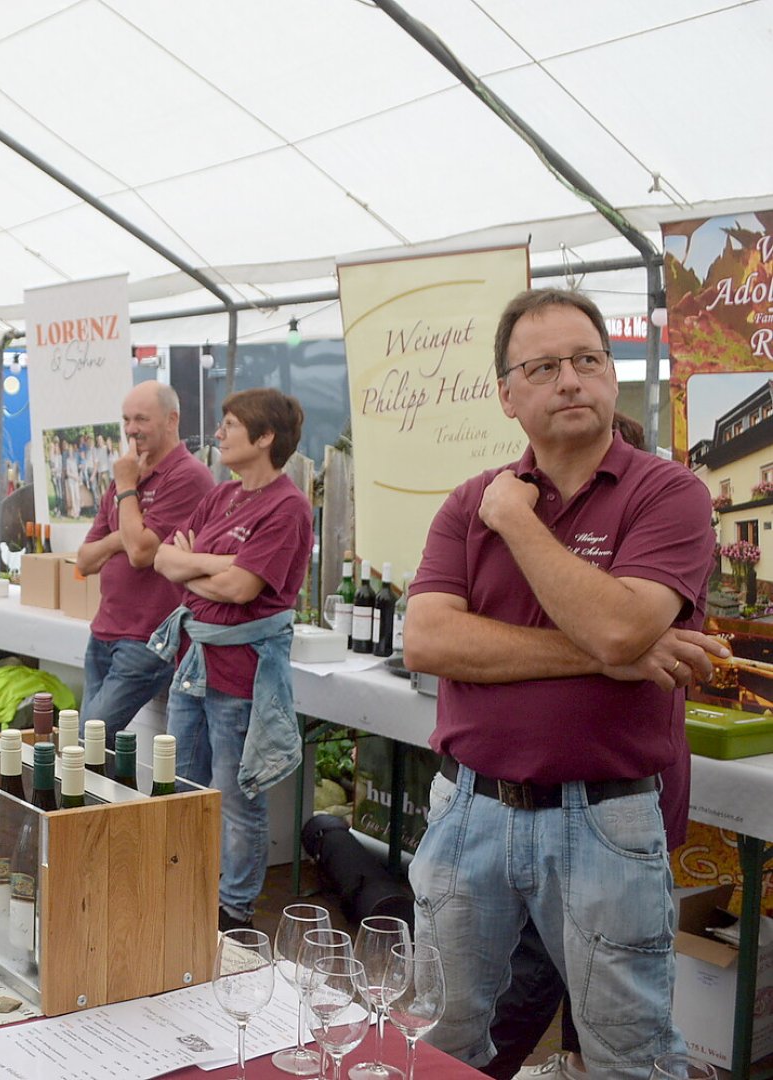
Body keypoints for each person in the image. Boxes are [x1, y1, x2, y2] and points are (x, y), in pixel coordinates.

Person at [402, 288, 725, 1079]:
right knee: (438, 1037)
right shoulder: (462, 502)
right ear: (507, 395)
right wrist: (611, 652)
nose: (570, 381)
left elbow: (620, 624)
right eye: (542, 367)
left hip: (604, 819)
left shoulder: (667, 493)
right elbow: (427, 639)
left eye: (586, 359)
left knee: (628, 1052)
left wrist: (517, 521)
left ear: (611, 375)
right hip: (468, 808)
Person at [150, 388, 312, 932]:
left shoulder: (288, 507)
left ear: (265, 438)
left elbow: (242, 587)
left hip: (241, 674)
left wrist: (198, 566)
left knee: (235, 797)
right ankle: (188, 890)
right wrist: (210, 563)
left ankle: (233, 910)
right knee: (183, 788)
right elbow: (163, 559)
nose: (218, 433)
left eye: (229, 424)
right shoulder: (220, 498)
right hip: (192, 665)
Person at [75, 382, 214, 747]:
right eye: (126, 419)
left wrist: (125, 490)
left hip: (149, 637)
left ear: (172, 420)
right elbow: (85, 560)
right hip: (104, 631)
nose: (131, 428)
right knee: (92, 747)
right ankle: (105, 806)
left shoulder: (187, 476)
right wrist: (124, 532)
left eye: (141, 419)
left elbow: (140, 555)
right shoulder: (130, 475)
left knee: (89, 739)